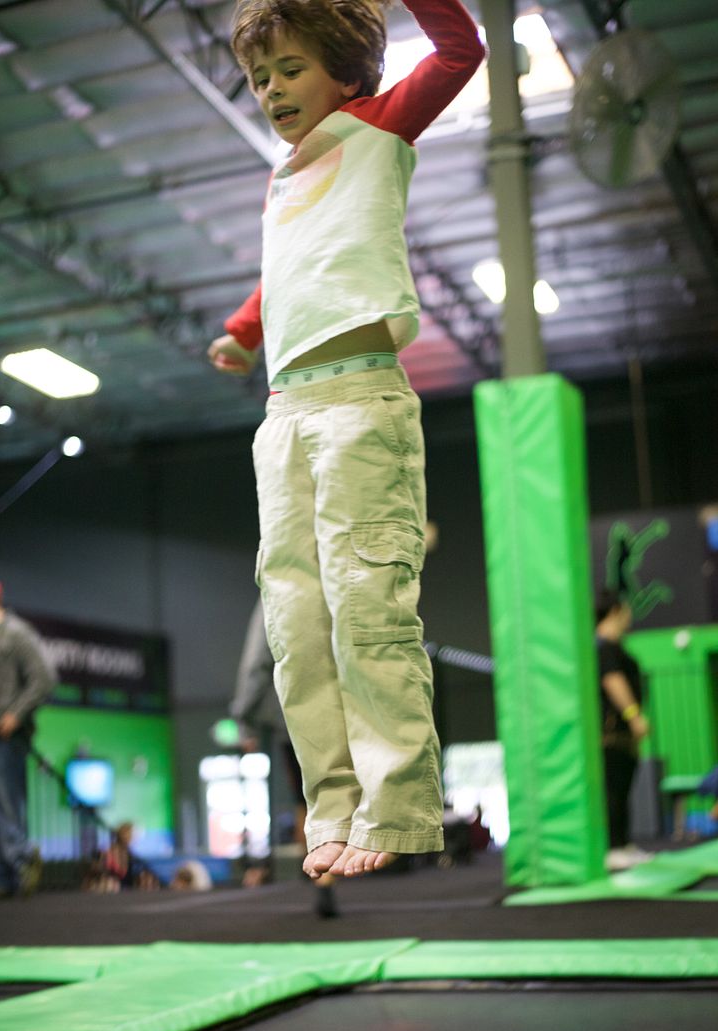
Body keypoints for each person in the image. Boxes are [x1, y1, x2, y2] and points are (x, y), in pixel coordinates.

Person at [208, 0, 484, 880]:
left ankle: (396, 804)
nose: (272, 90)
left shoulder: (378, 127)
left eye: (291, 69)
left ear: (346, 73)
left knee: (368, 608)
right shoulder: (283, 178)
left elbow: (459, 52)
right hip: (284, 415)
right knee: (295, 626)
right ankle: (330, 804)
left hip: (360, 402)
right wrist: (244, 331)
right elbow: (289, 267)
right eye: (260, 78)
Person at [229, 595, 340, 916]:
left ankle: (322, 875)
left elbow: (256, 662)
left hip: (297, 715)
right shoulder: (343, 574)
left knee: (307, 797)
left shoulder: (275, 587)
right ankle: (326, 868)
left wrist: (244, 718)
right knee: (333, 791)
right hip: (342, 706)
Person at [0, 581, 56, 897]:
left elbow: (44, 679)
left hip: (8, 736)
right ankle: (4, 877)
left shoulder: (17, 634)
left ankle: (21, 861)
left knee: (7, 803)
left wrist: (15, 714)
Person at [595, 589, 651, 870]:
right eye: (626, 609)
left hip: (623, 736)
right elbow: (612, 681)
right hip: (611, 734)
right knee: (613, 789)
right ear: (616, 610)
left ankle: (623, 844)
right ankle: (613, 848)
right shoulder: (602, 647)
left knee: (624, 786)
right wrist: (633, 715)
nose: (630, 614)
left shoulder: (616, 647)